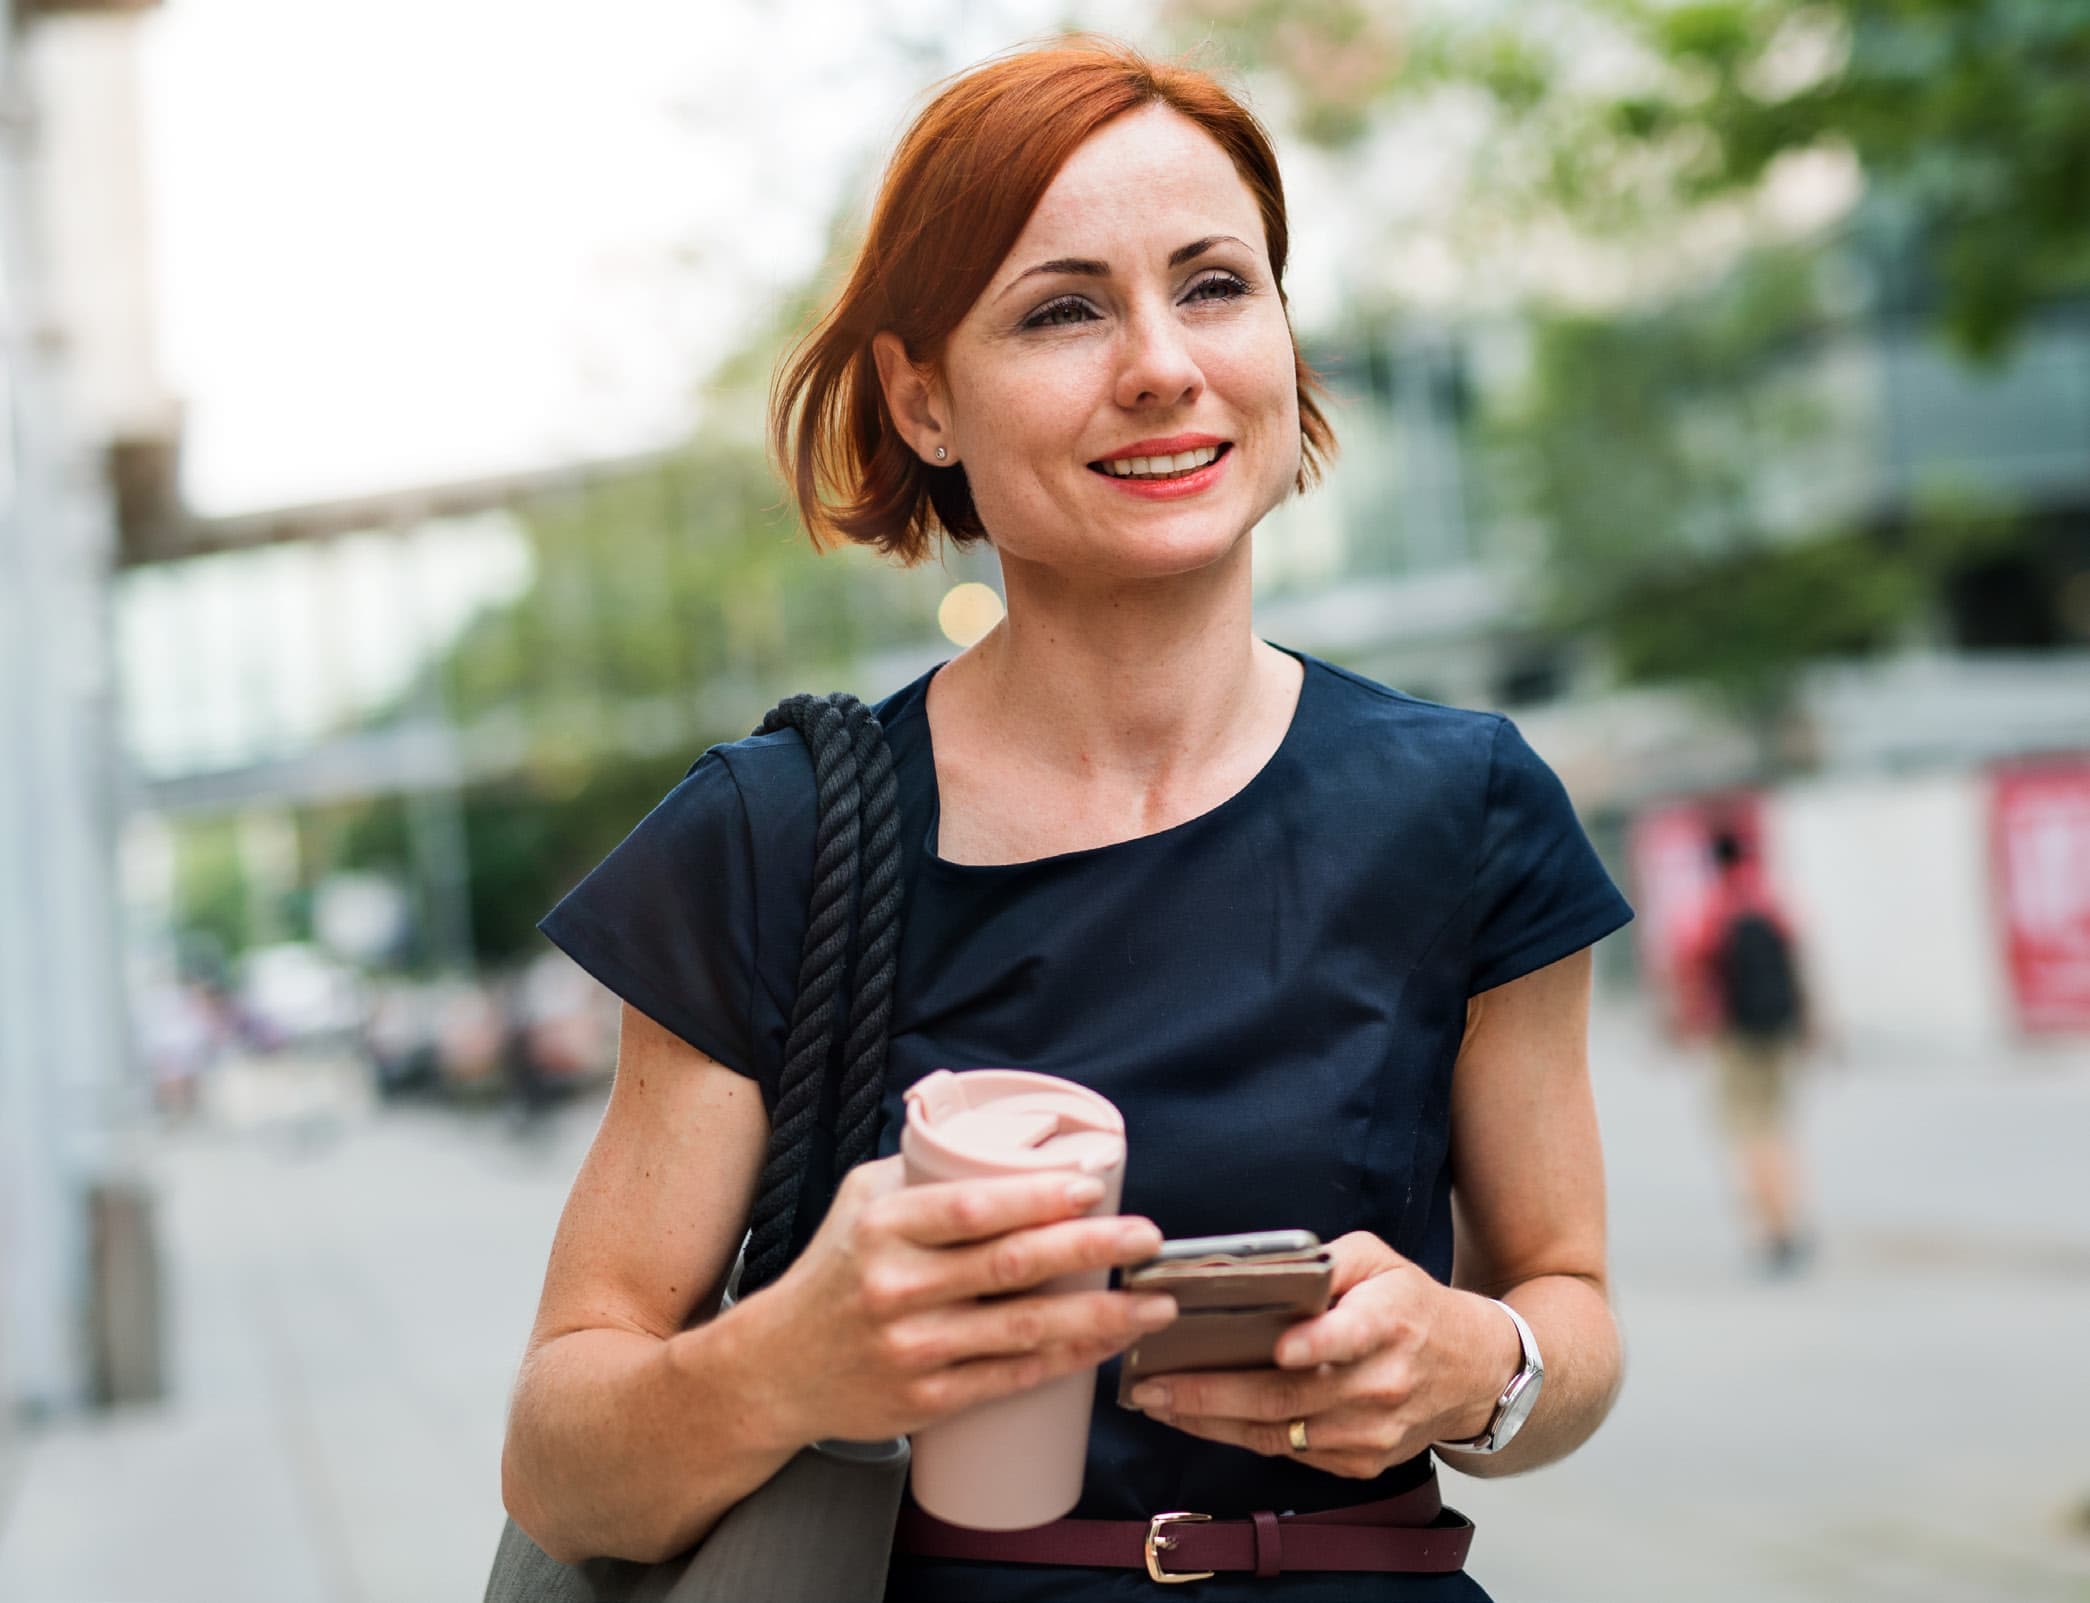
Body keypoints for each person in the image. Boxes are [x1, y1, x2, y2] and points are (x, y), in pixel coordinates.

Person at [500, 39, 1633, 1601]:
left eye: (1216, 285)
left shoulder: (1463, 800)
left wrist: (1478, 1363)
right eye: (1062, 308)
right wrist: (787, 1360)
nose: (1161, 362)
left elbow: (1565, 1306)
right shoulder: (774, 836)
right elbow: (559, 1456)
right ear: (923, 399)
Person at [1681, 826, 1813, 1275]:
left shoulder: (1712, 909)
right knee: (1777, 1128)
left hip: (1735, 1037)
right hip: (1776, 1030)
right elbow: (1800, 962)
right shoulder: (1769, 900)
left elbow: (1690, 970)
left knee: (1746, 1133)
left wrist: (1687, 1025)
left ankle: (1768, 1232)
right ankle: (1791, 1220)